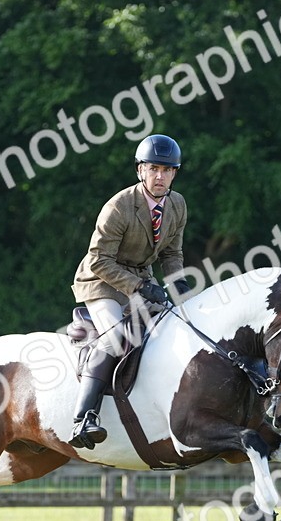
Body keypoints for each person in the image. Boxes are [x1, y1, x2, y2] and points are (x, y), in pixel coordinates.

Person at [68, 134, 191, 449]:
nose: (160, 176)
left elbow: (172, 254)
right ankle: (84, 418)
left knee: (172, 331)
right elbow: (98, 260)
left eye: (167, 170)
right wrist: (139, 286)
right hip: (102, 282)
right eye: (153, 169)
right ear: (140, 170)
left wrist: (179, 285)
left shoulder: (177, 205)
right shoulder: (119, 206)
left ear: (175, 173)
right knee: (115, 338)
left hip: (142, 280)